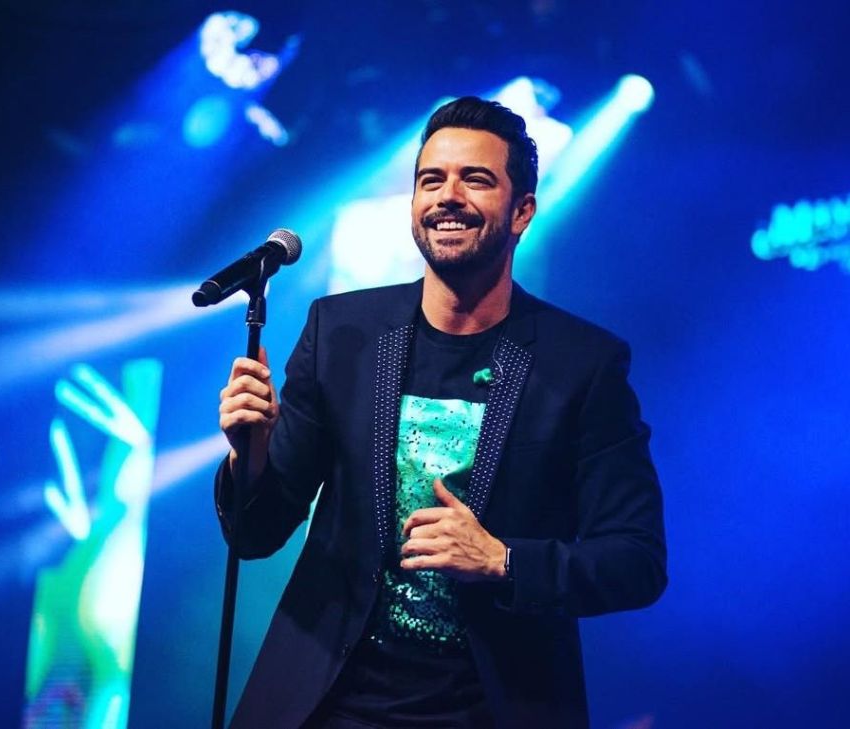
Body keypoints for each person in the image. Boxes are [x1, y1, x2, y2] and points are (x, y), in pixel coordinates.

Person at [216, 96, 667, 729]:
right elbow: (256, 535)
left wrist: (503, 560)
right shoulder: (341, 331)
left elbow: (636, 562)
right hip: (329, 701)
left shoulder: (582, 364)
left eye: (474, 179)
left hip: (491, 708)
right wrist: (251, 455)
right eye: (431, 180)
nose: (447, 196)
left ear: (522, 212)